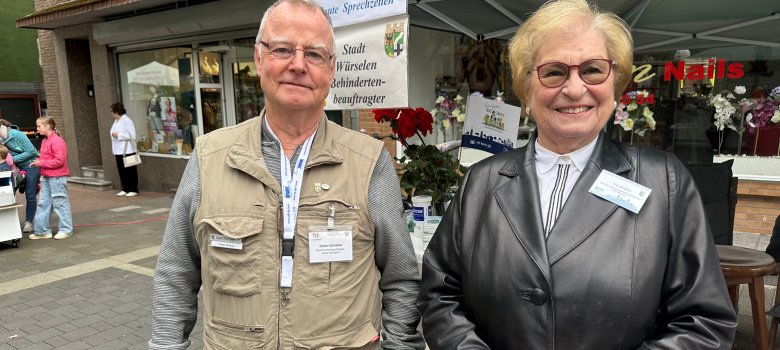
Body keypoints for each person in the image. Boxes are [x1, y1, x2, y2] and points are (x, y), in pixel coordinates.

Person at [417, 1, 737, 349]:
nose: (573, 88)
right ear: (527, 89)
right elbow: (440, 294)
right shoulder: (481, 181)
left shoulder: (664, 182)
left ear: (615, 84)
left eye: (593, 70)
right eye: (553, 71)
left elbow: (704, 322)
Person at [149, 1, 424, 349]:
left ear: (332, 69)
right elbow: (176, 275)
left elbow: (402, 278)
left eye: (314, 54)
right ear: (259, 57)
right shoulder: (209, 158)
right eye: (282, 49)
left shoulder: (368, 161)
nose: (298, 65)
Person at [29, 117, 73, 240]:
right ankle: (42, 231)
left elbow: (60, 161)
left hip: (57, 177)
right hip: (48, 176)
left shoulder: (57, 141)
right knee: (43, 203)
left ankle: (66, 230)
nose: (37, 129)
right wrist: (39, 161)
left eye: (39, 126)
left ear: (47, 126)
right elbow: (50, 159)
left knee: (60, 203)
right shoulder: (45, 140)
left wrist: (40, 163)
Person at [0, 119, 40, 233]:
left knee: (30, 193)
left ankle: (28, 222)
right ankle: (8, 222)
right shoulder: (1, 138)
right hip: (14, 168)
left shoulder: (16, 134)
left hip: (30, 165)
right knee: (8, 192)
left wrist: (13, 160)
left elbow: (32, 151)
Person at [110, 102, 139, 197]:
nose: (111, 113)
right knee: (121, 170)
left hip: (128, 150)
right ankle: (125, 188)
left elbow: (133, 135)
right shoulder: (116, 121)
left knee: (130, 170)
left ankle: (133, 189)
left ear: (117, 111)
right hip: (118, 150)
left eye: (112, 111)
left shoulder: (127, 120)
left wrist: (119, 135)